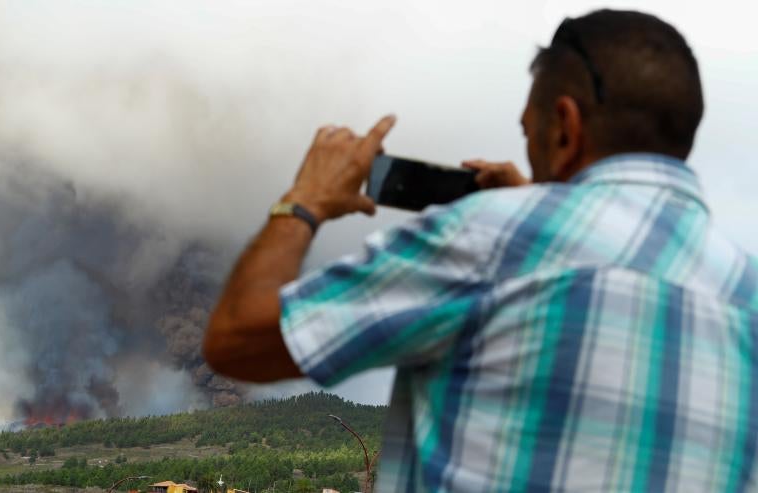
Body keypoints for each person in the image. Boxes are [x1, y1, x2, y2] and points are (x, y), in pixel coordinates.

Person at [203, 9, 758, 492]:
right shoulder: (746, 291)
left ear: (564, 127)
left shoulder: (492, 236)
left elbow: (238, 339)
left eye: (531, 133)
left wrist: (305, 201)